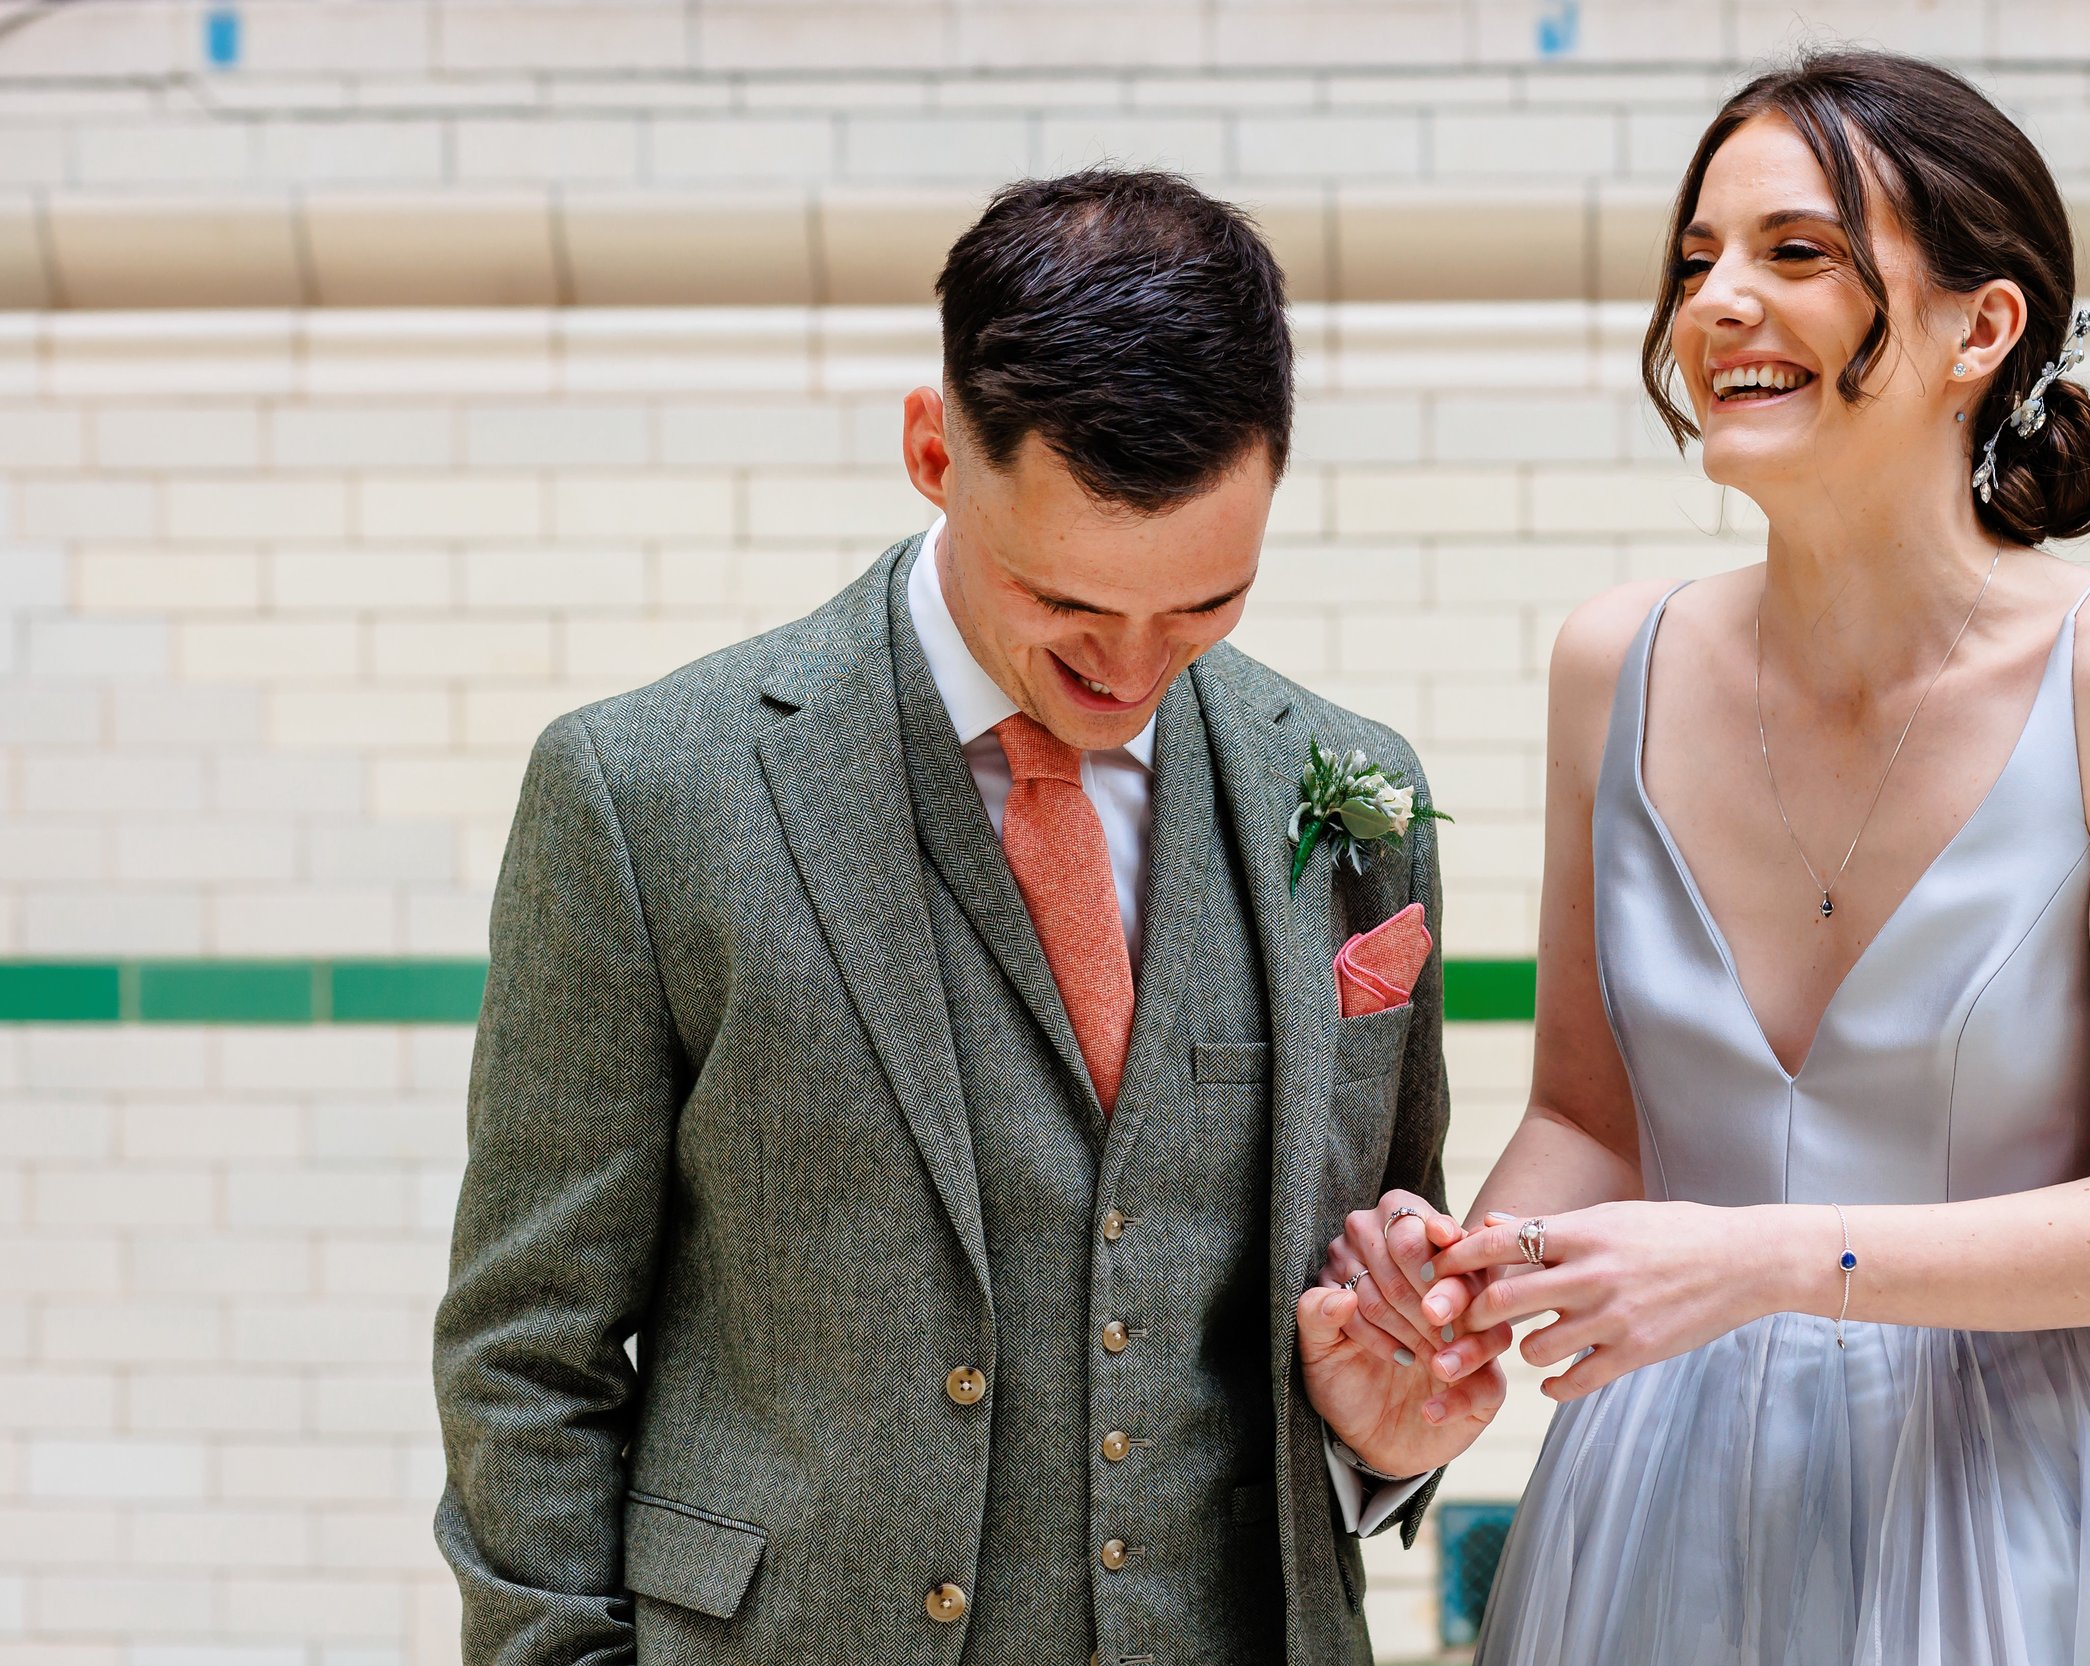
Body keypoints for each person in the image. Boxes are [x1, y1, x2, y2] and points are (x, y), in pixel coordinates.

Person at [430, 168, 1505, 1666]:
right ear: (936, 448)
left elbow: (1365, 1284)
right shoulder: (642, 794)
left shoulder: (1352, 797)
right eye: (1067, 600)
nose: (1134, 666)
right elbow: (525, 1356)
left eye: (1204, 605)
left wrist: (1379, 1433)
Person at [1321, 52, 2090, 1663]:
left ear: (1983, 331)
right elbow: (1589, 1113)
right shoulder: (1609, 663)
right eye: (1697, 262)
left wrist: (1766, 1258)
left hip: (2004, 1500)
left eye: (1796, 254)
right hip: (1652, 1502)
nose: (1719, 306)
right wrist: (1460, 1298)